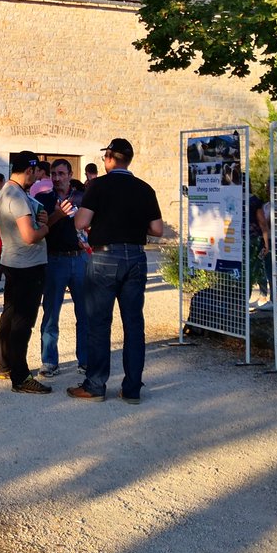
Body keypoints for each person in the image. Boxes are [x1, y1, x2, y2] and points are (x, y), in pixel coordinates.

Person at [68, 138, 163, 405]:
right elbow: (157, 230)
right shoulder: (145, 188)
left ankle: (96, 385)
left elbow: (81, 221)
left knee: (99, 323)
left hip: (105, 256)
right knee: (134, 324)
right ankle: (132, 388)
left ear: (110, 157)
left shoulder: (98, 185)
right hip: (135, 256)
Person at [0, 151, 53, 394]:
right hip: (27, 265)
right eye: (35, 173)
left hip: (13, 260)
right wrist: (47, 226)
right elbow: (30, 236)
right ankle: (21, 377)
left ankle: (5, 364)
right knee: (23, 322)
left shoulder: (7, 190)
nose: (36, 178)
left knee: (9, 315)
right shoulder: (17, 195)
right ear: (29, 170)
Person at [36, 159, 88, 377]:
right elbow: (40, 228)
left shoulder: (83, 198)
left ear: (70, 174)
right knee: (51, 312)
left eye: (61, 173)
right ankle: (49, 361)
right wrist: (57, 214)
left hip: (80, 259)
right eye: (54, 174)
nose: (57, 178)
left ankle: (85, 360)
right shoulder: (42, 200)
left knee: (85, 312)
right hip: (55, 260)